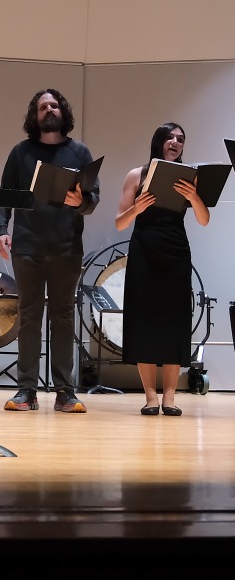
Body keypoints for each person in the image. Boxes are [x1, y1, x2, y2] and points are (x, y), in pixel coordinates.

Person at [0, 89, 99, 413]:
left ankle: (66, 391)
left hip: (67, 248)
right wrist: (0, 231)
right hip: (27, 246)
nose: (49, 109)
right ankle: (27, 390)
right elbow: (4, 196)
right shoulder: (20, 152)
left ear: (63, 112)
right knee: (28, 317)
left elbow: (93, 199)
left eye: (54, 105)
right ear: (34, 115)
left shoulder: (80, 152)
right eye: (43, 106)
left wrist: (81, 202)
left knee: (63, 317)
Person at [115, 123, 209, 416]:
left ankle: (169, 397)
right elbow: (119, 222)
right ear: (158, 141)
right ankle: (150, 397)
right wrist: (137, 208)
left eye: (181, 139)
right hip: (144, 249)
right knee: (144, 319)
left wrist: (194, 197)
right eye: (170, 137)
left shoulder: (189, 177)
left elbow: (204, 220)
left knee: (174, 321)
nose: (176, 142)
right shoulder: (137, 174)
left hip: (176, 250)